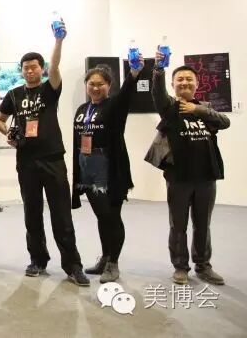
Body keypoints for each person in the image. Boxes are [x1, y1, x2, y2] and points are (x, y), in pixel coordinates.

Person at [0, 20, 89, 286]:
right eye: (25, 67)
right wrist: (8, 133)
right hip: (26, 161)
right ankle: (37, 260)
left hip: (52, 158)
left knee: (61, 214)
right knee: (32, 213)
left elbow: (56, 67)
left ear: (41, 69)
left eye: (34, 67)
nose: (30, 71)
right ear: (21, 71)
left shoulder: (50, 89)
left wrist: (58, 40)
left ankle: (73, 265)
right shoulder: (14, 94)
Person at [152, 59, 230, 286]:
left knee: (203, 224)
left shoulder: (204, 108)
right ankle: (180, 267)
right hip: (179, 178)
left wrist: (197, 109)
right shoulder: (169, 108)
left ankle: (203, 266)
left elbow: (225, 122)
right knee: (178, 225)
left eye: (189, 79)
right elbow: (157, 93)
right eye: (180, 79)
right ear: (173, 84)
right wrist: (158, 69)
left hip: (206, 176)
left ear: (196, 84)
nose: (184, 82)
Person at [71, 60, 142, 283]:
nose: (95, 88)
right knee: (102, 217)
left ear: (109, 86)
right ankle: (105, 258)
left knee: (111, 216)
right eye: (91, 84)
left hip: (108, 169)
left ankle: (113, 263)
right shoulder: (82, 110)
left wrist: (134, 73)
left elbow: (126, 93)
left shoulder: (114, 106)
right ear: (86, 85)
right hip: (87, 168)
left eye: (100, 84)